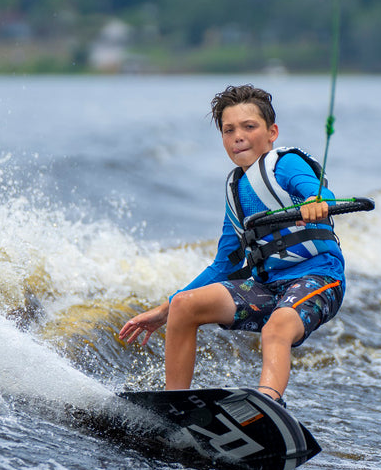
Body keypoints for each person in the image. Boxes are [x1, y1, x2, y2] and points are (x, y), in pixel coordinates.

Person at [118, 84, 345, 404]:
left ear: (272, 132)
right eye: (229, 130)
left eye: (249, 126)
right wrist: (164, 309)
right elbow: (224, 265)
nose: (238, 136)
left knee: (277, 326)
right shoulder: (235, 191)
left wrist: (314, 201)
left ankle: (267, 404)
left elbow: (316, 191)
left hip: (321, 279)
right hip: (269, 289)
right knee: (185, 305)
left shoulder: (285, 164)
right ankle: (173, 406)